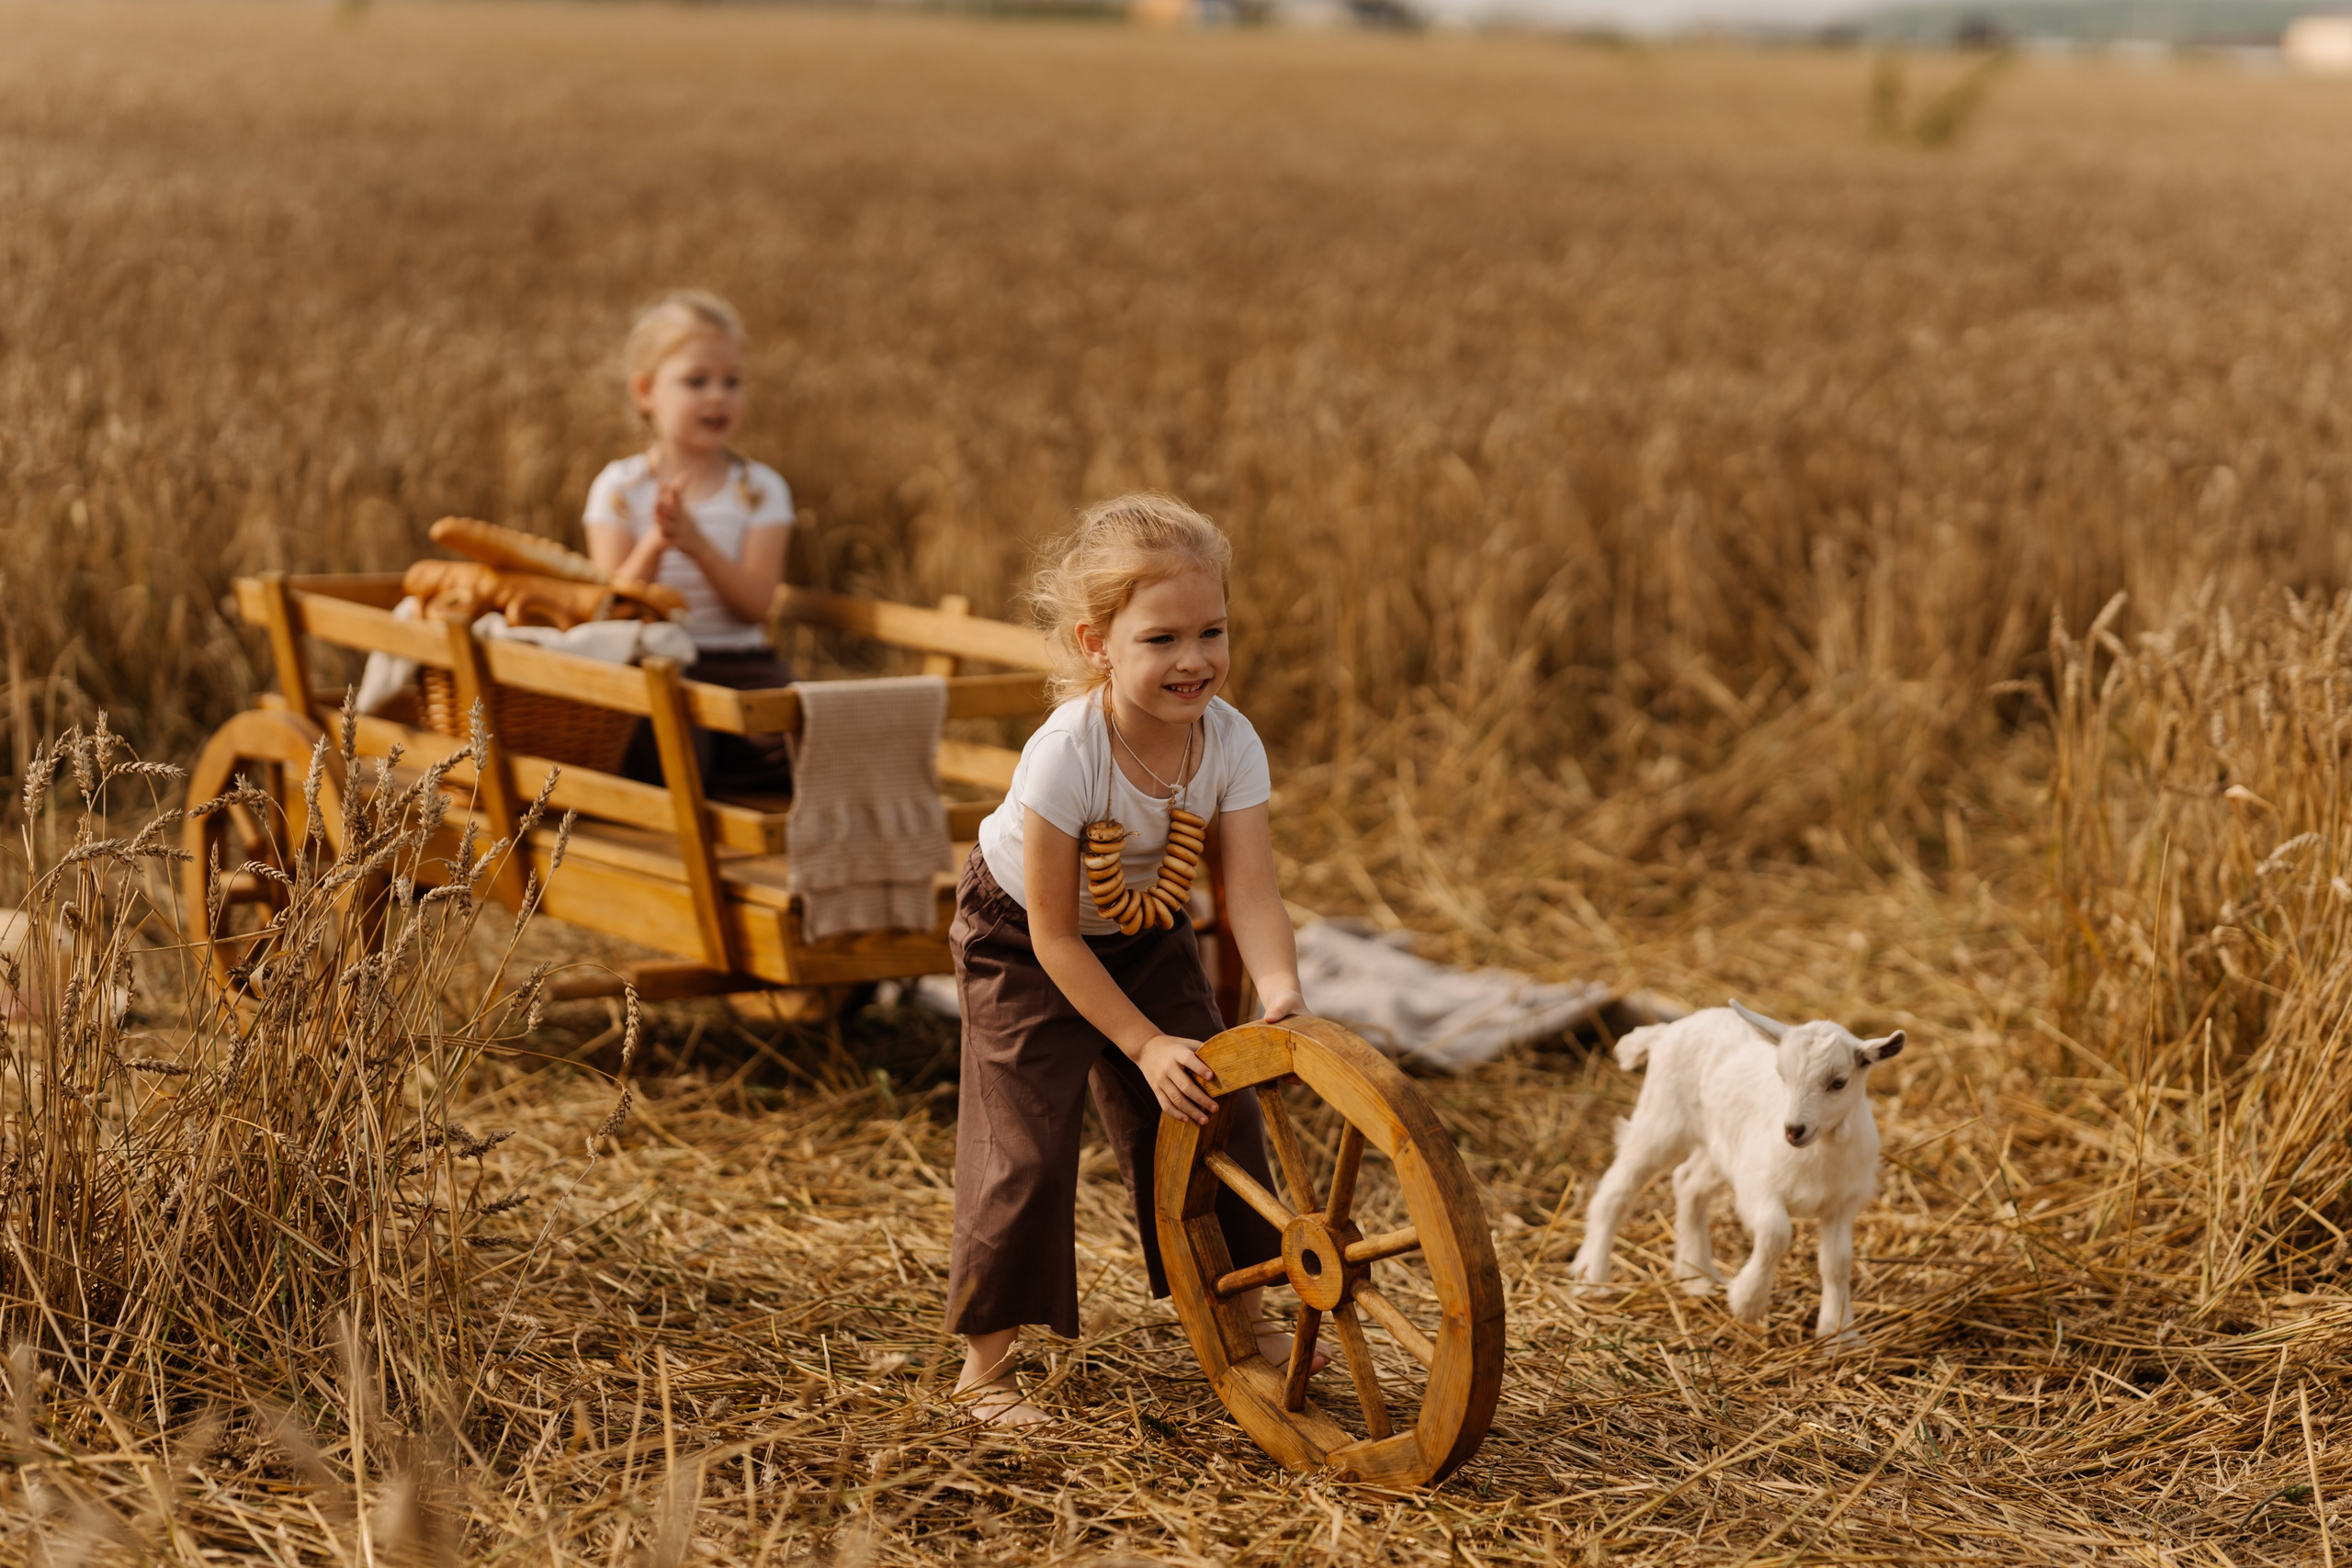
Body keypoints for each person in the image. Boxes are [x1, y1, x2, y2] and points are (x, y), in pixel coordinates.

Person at [947, 492, 1317, 1427]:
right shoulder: (1067, 753)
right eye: (1161, 639)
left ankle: (1239, 1305)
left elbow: (1254, 893)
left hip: (1144, 932)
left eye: (1211, 631)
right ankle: (982, 1371)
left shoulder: (1228, 739)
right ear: (1096, 644)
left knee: (1210, 1102)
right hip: (1024, 938)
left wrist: (1280, 994)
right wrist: (1141, 1043)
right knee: (1024, 1146)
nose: (1193, 660)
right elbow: (1054, 936)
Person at [583, 290, 795, 791]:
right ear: (646, 392)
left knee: (803, 734)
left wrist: (697, 544)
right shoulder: (619, 489)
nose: (718, 396)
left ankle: (724, 777)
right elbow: (613, 607)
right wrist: (657, 542)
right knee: (662, 740)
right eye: (696, 381)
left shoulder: (761, 488)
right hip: (655, 666)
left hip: (743, 668)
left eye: (732, 381)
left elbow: (754, 606)